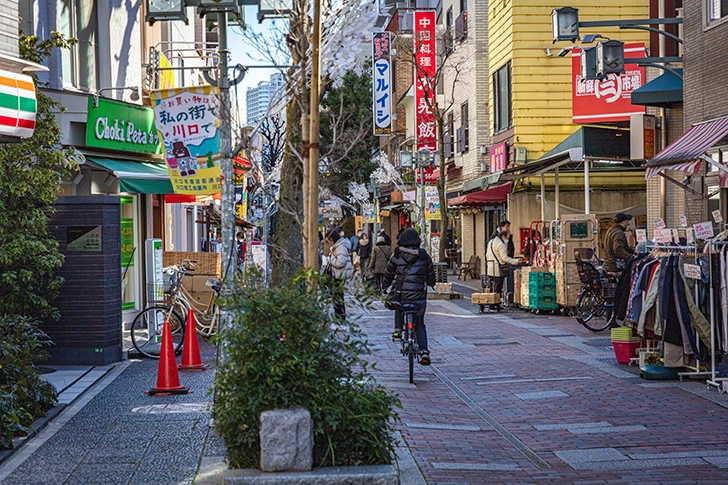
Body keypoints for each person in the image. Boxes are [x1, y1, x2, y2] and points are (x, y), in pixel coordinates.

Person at [382, 228, 436, 365]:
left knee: (398, 304)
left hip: (402, 294)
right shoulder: (424, 257)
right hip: (419, 296)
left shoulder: (397, 256)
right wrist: (431, 283)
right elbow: (431, 278)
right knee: (419, 324)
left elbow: (388, 274)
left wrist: (384, 286)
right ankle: (424, 351)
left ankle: (397, 331)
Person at [486, 229, 522, 310]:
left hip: (490, 268)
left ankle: (492, 303)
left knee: (493, 287)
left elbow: (487, 254)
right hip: (498, 269)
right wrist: (516, 261)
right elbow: (504, 258)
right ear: (503, 236)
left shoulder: (491, 242)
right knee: (498, 287)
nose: (507, 240)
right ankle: (496, 304)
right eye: (507, 238)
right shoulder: (500, 244)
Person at [326, 228, 353, 320]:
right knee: (337, 297)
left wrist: (331, 257)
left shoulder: (340, 247)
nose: (329, 243)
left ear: (332, 239)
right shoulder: (338, 246)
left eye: (328, 241)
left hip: (339, 275)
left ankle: (340, 318)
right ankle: (339, 317)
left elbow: (340, 263)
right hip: (338, 274)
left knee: (337, 297)